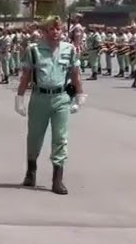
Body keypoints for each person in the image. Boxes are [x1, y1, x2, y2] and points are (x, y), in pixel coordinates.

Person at [14, 15, 86, 195]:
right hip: (40, 97)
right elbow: (26, 76)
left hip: (61, 97)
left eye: (58, 29)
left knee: (60, 138)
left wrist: (79, 94)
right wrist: (20, 98)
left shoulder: (69, 49)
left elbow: (75, 73)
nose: (55, 32)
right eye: (51, 29)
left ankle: (57, 179)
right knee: (35, 137)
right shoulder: (34, 50)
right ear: (44, 32)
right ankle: (31, 170)